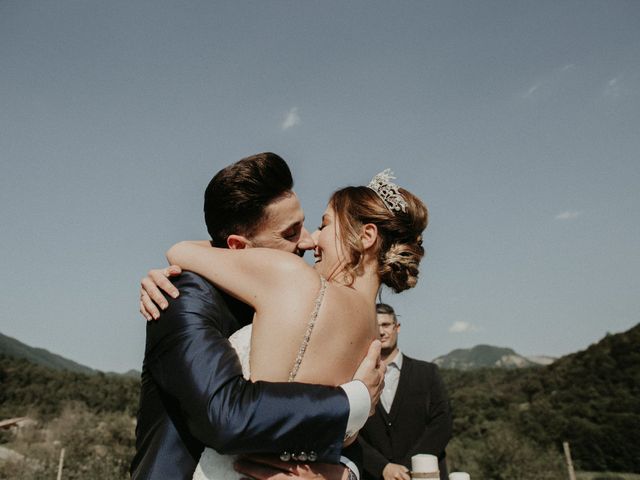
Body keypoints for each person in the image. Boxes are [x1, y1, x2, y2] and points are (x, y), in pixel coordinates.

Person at [140, 163, 429, 480]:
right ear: (238, 247)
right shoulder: (184, 296)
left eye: (316, 225)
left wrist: (342, 474)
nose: (309, 241)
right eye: (292, 232)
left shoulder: (298, 286)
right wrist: (356, 400)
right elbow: (228, 417)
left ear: (366, 236)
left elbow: (179, 249)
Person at [358, 304, 452, 480]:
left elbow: (442, 423)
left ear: (397, 327)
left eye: (386, 325)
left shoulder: (428, 373)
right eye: (375, 326)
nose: (381, 332)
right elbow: (349, 431)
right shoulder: (355, 377)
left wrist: (408, 468)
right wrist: (382, 467)